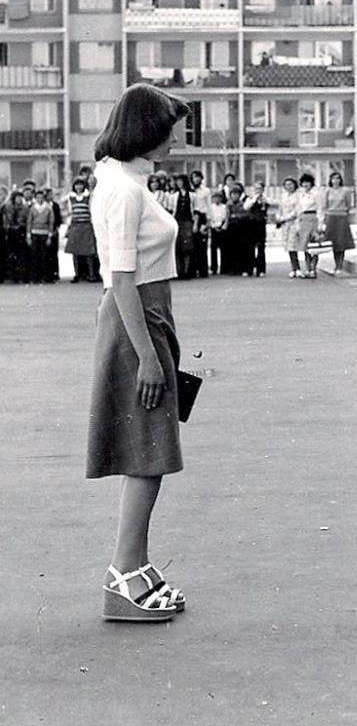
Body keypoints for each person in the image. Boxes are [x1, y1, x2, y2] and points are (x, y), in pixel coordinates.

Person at [87, 82, 191, 622]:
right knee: (147, 452)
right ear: (147, 129)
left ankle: (136, 564)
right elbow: (122, 278)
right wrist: (148, 355)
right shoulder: (124, 189)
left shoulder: (123, 179)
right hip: (139, 319)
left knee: (149, 449)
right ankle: (124, 573)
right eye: (170, 130)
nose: (175, 139)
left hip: (146, 317)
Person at [65, 177, 99, 283]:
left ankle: (91, 274)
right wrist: (68, 227)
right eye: (76, 185)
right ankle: (77, 274)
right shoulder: (71, 198)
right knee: (75, 252)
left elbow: (91, 211)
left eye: (80, 185)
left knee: (89, 252)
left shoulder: (88, 197)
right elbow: (70, 214)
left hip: (86, 226)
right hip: (75, 226)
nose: (78, 187)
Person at [322, 171, 354, 275]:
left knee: (341, 242)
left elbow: (349, 205)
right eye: (333, 179)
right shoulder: (327, 191)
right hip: (331, 217)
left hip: (342, 217)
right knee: (333, 242)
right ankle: (336, 265)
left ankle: (340, 266)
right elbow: (324, 205)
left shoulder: (345, 190)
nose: (335, 181)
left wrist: (344, 213)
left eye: (338, 178)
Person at [223, 182, 254, 275]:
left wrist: (236, 216)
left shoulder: (242, 204)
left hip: (241, 228)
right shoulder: (228, 204)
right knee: (232, 249)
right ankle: (232, 268)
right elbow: (227, 216)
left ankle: (242, 268)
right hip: (231, 228)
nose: (235, 196)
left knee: (241, 249)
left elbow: (246, 214)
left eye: (237, 194)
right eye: (233, 194)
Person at [26, 188, 54, 283]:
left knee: (44, 255)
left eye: (41, 197)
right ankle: (34, 277)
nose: (39, 199)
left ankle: (44, 276)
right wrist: (28, 235)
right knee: (34, 255)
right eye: (38, 197)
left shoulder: (48, 208)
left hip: (44, 233)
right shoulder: (32, 208)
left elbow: (51, 222)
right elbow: (29, 222)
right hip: (34, 232)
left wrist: (49, 236)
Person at [296, 173, 321, 279]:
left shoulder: (316, 194)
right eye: (304, 182)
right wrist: (298, 223)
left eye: (308, 182)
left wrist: (320, 224)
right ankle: (307, 269)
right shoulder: (300, 195)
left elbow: (320, 209)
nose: (306, 184)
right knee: (305, 246)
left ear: (311, 183)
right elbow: (298, 209)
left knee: (314, 246)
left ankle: (313, 269)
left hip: (313, 218)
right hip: (303, 219)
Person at [276, 177, 302, 278]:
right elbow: (280, 208)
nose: (289, 187)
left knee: (293, 245)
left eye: (291, 184)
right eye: (287, 185)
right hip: (285, 224)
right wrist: (279, 217)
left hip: (294, 222)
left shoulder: (298, 196)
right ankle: (294, 268)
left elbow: (297, 211)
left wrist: (285, 218)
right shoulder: (283, 196)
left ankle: (298, 268)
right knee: (289, 247)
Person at [4, 189, 30, 283]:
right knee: (12, 254)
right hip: (11, 231)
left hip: (21, 230)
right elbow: (6, 220)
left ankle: (22, 275)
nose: (19, 199)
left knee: (22, 254)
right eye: (17, 197)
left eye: (20, 197)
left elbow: (28, 220)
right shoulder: (8, 207)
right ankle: (13, 275)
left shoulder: (25, 208)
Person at [172, 174, 195, 280]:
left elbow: (195, 210)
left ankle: (187, 271)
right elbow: (172, 209)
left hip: (187, 221)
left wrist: (195, 223)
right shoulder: (174, 195)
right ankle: (178, 271)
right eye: (178, 181)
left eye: (181, 181)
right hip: (177, 220)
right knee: (177, 247)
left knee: (187, 247)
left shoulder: (192, 195)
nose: (179, 183)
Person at [244, 180, 269, 277]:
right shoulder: (250, 198)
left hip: (261, 224)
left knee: (261, 247)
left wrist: (264, 201)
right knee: (250, 247)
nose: (258, 190)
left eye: (260, 188)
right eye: (256, 188)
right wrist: (254, 198)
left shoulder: (265, 199)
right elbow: (246, 207)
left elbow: (271, 204)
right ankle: (249, 269)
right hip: (251, 224)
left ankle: (261, 269)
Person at [189, 169, 210, 278]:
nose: (196, 179)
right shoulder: (189, 190)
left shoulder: (206, 191)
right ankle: (193, 270)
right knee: (192, 245)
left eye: (198, 177)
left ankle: (203, 270)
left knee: (202, 245)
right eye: (194, 177)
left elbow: (208, 206)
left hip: (202, 216)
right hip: (191, 217)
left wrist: (207, 221)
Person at [44, 188, 62, 282]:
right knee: (45, 253)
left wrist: (56, 229)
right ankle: (46, 274)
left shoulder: (55, 205)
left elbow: (58, 219)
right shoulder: (43, 205)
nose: (51, 196)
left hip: (54, 230)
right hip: (44, 231)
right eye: (49, 194)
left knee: (54, 253)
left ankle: (55, 273)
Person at [208, 190, 227, 274]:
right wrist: (214, 226)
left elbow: (225, 217)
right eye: (215, 198)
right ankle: (213, 268)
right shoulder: (211, 207)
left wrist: (222, 226)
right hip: (214, 228)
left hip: (222, 228)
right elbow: (210, 218)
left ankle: (224, 267)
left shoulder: (224, 207)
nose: (217, 199)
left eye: (219, 198)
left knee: (223, 249)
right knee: (213, 249)